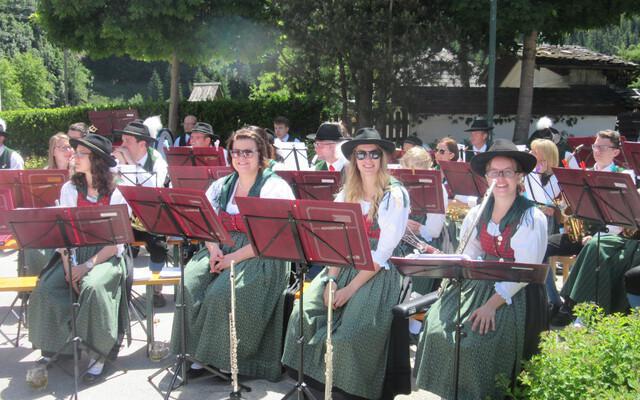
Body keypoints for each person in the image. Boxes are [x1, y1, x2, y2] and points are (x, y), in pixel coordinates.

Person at [282, 128, 410, 399]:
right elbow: (336, 242)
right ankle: (317, 385)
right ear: (353, 159)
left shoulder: (395, 195)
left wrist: (349, 289)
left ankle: (348, 390)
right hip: (340, 264)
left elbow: (382, 253)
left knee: (349, 335)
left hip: (375, 271)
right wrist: (331, 280)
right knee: (302, 315)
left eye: (374, 154)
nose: (367, 160)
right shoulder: (346, 193)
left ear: (383, 158)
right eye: (361, 154)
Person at [415, 139, 548, 399]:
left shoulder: (531, 218)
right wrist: (454, 264)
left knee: (475, 344)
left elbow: (524, 272)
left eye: (507, 172)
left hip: (515, 291)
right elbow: (471, 252)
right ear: (486, 177)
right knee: (435, 327)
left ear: (519, 176)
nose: (500, 179)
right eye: (494, 172)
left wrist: (490, 306)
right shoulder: (478, 212)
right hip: (480, 281)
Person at [170, 128, 295, 381]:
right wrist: (213, 249)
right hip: (221, 246)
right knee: (189, 284)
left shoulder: (274, 187)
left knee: (223, 294)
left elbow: (273, 238)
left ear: (261, 154)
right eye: (236, 152)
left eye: (248, 152)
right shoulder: (222, 185)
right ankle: (195, 353)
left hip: (261, 254)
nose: (241, 157)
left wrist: (232, 258)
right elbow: (206, 223)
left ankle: (226, 359)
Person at [28, 134, 129, 382]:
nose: (75, 156)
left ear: (96, 160)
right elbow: (63, 236)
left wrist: (85, 267)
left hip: (105, 257)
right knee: (46, 288)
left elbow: (115, 245)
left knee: (93, 287)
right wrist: (69, 268)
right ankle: (56, 346)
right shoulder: (70, 189)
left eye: (82, 153)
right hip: (71, 254)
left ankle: (98, 354)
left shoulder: (116, 194)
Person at [113, 119, 169, 307]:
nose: (123, 145)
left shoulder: (157, 161)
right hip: (126, 219)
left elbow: (155, 187)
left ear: (142, 144)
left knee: (159, 246)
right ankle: (119, 287)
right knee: (112, 242)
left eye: (128, 141)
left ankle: (156, 289)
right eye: (123, 140)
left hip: (151, 219)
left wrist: (131, 165)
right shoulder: (117, 160)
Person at [398, 146, 448, 294]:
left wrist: (418, 228)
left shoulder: (437, 188)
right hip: (401, 241)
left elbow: (434, 231)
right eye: (407, 172)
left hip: (425, 246)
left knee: (415, 293)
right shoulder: (398, 185)